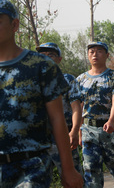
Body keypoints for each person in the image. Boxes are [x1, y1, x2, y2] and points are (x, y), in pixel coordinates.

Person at [0, 0, 83, 188]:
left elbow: (57, 118)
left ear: (14, 24)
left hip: (30, 167)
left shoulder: (40, 66)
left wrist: (68, 169)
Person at [77, 41, 114, 188]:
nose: (95, 54)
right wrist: (78, 131)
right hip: (89, 131)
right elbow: (79, 107)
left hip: (110, 130)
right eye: (92, 51)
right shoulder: (81, 80)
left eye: (99, 51)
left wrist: (111, 121)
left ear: (107, 55)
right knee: (90, 171)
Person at [37, 42, 83, 176]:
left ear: (59, 59)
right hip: (40, 140)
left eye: (51, 55)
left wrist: (74, 131)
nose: (46, 58)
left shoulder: (68, 80)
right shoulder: (32, 80)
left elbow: (76, 107)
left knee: (73, 177)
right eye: (42, 55)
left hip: (63, 137)